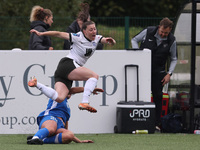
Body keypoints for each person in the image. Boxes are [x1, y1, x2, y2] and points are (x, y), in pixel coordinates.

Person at [28, 21, 116, 113]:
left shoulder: (97, 38)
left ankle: (36, 84)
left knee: (59, 98)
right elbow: (59, 34)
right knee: (94, 76)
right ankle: (84, 102)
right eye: (91, 30)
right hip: (68, 64)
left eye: (94, 29)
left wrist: (111, 41)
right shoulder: (77, 37)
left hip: (62, 71)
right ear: (84, 31)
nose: (94, 31)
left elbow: (106, 41)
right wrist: (41, 33)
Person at [131, 17, 177, 130]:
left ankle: (156, 123)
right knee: (139, 94)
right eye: (162, 32)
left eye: (166, 33)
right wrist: (137, 54)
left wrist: (169, 74)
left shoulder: (171, 40)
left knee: (158, 96)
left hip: (159, 71)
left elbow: (174, 58)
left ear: (170, 30)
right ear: (159, 27)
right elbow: (134, 40)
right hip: (143, 69)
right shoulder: (148, 31)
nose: (163, 34)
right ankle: (137, 120)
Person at [27, 86, 104, 145]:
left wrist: (79, 142)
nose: (70, 93)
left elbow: (65, 127)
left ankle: (42, 139)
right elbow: (72, 90)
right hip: (50, 118)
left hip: (59, 126)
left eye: (70, 93)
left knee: (69, 135)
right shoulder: (58, 96)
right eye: (68, 91)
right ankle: (36, 138)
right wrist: (89, 89)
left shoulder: (67, 109)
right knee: (51, 129)